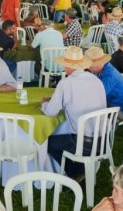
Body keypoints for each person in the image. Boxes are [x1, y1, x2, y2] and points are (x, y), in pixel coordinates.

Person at [42, 47, 107, 179]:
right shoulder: (96, 80)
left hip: (82, 143)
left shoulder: (66, 83)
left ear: (67, 66)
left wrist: (44, 103)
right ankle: (80, 169)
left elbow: (50, 112)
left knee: (47, 143)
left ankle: (74, 173)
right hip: (103, 139)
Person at [85, 46, 123, 119]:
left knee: (85, 108)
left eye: (90, 66)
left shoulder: (109, 75)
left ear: (98, 64)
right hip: (108, 103)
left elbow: (99, 97)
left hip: (117, 110)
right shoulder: (102, 69)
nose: (88, 67)